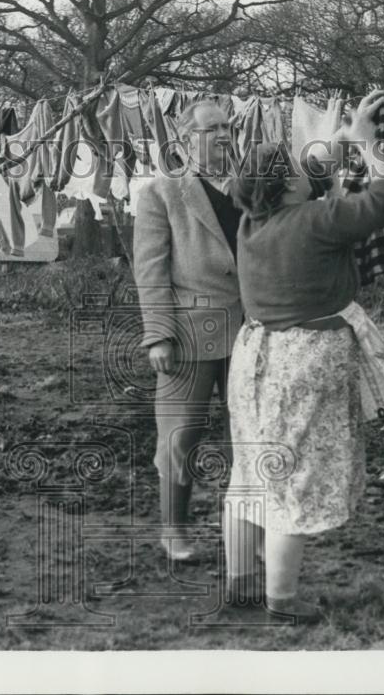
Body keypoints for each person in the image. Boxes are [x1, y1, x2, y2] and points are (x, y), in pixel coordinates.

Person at [222, 90, 384, 620]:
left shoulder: (253, 224)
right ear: (289, 184)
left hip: (254, 358)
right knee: (295, 476)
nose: (306, 169)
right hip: (304, 360)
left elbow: (307, 173)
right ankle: (282, 601)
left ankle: (241, 585)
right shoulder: (317, 221)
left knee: (251, 473)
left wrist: (336, 143)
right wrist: (366, 142)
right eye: (296, 168)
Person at [133, 100, 243, 562]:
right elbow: (150, 270)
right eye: (212, 128)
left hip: (249, 332)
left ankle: (245, 536)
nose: (223, 135)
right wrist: (158, 334)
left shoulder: (250, 187)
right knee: (180, 435)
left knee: (250, 435)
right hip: (190, 333)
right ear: (185, 140)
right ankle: (174, 531)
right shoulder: (163, 193)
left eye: (227, 127)